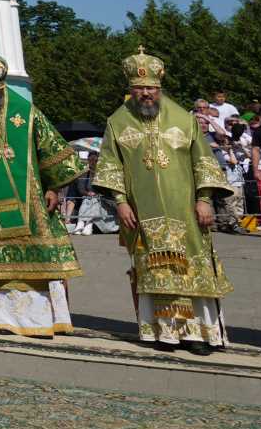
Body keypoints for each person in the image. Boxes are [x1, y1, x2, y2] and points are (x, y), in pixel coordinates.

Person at [91, 48, 231, 353]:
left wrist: (205, 200)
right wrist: (121, 202)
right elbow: (110, 165)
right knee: (155, 271)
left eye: (150, 88)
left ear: (159, 88)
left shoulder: (184, 118)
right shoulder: (117, 122)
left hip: (186, 211)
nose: (145, 93)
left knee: (191, 268)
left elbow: (203, 162)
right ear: (130, 90)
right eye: (139, 88)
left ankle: (198, 334)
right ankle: (164, 332)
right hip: (142, 211)